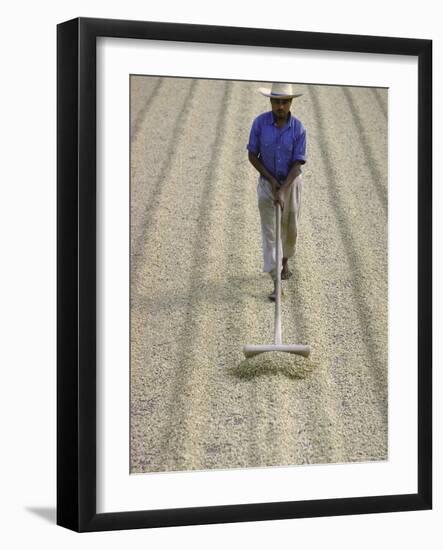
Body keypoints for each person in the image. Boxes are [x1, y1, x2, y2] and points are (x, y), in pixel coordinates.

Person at [246, 82, 307, 301]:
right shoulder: (260, 124)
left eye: (284, 102)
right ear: (270, 102)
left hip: (291, 184)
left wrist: (283, 190)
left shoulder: (299, 129)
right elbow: (252, 155)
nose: (280, 106)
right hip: (267, 184)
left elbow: (298, 162)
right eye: (276, 101)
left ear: (290, 103)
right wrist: (272, 182)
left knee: (290, 228)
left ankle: (285, 262)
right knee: (271, 235)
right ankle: (276, 283)